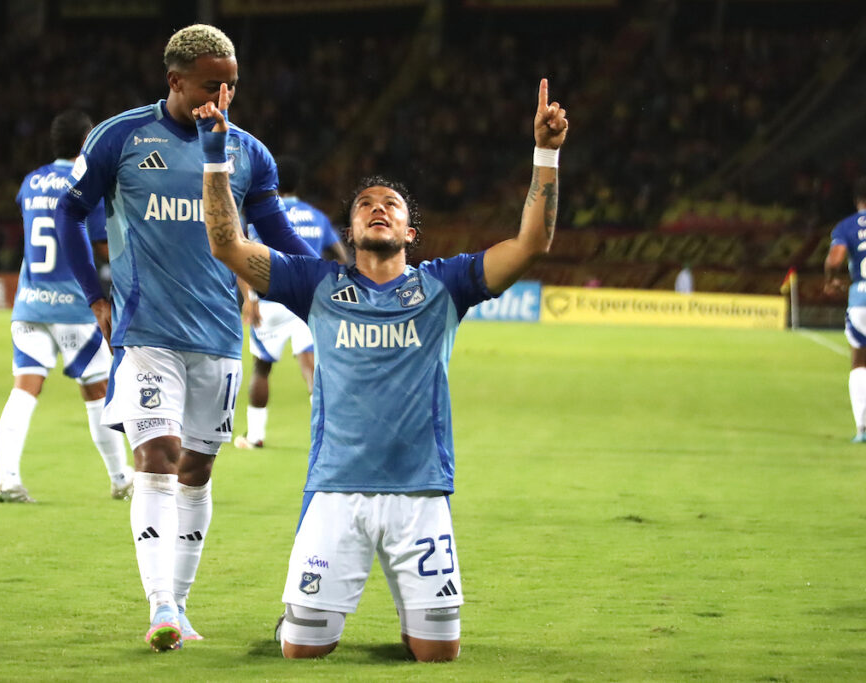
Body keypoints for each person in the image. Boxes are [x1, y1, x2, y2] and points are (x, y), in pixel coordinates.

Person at [198, 78, 567, 661]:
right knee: (302, 651)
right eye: (365, 204)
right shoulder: (315, 284)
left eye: (391, 205)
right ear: (349, 232)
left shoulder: (446, 285)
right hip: (335, 490)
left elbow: (530, 244)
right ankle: (298, 619)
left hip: (420, 492)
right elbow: (226, 244)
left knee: (437, 653)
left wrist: (545, 153)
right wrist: (215, 158)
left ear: (409, 232)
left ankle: (407, 618)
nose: (378, 208)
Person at [53, 25, 317, 651]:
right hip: (146, 332)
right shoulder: (120, 137)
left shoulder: (249, 154)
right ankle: (161, 607)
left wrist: (333, 286)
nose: (223, 98)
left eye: (232, 86)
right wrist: (95, 295)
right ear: (174, 81)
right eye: (210, 85)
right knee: (158, 454)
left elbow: (278, 234)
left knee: (196, 470)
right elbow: (70, 211)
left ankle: (183, 605)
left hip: (219, 335)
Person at [0, 109, 132, 504]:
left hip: (31, 304)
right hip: (76, 307)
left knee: (24, 389)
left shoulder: (31, 181)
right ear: (87, 140)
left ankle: (7, 479)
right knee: (97, 391)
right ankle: (121, 479)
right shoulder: (85, 179)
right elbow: (102, 243)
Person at [234, 156, 348, 450]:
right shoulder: (316, 216)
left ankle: (255, 436)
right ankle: (330, 432)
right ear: (300, 183)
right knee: (309, 362)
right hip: (308, 298)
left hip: (270, 299)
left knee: (262, 367)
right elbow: (342, 257)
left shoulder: (262, 214)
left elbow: (242, 256)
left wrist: (249, 299)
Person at [824, 177, 866, 442]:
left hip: (861, 298)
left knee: (859, 362)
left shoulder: (846, 226)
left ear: (856, 199)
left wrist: (830, 280)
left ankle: (863, 428)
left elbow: (835, 259)